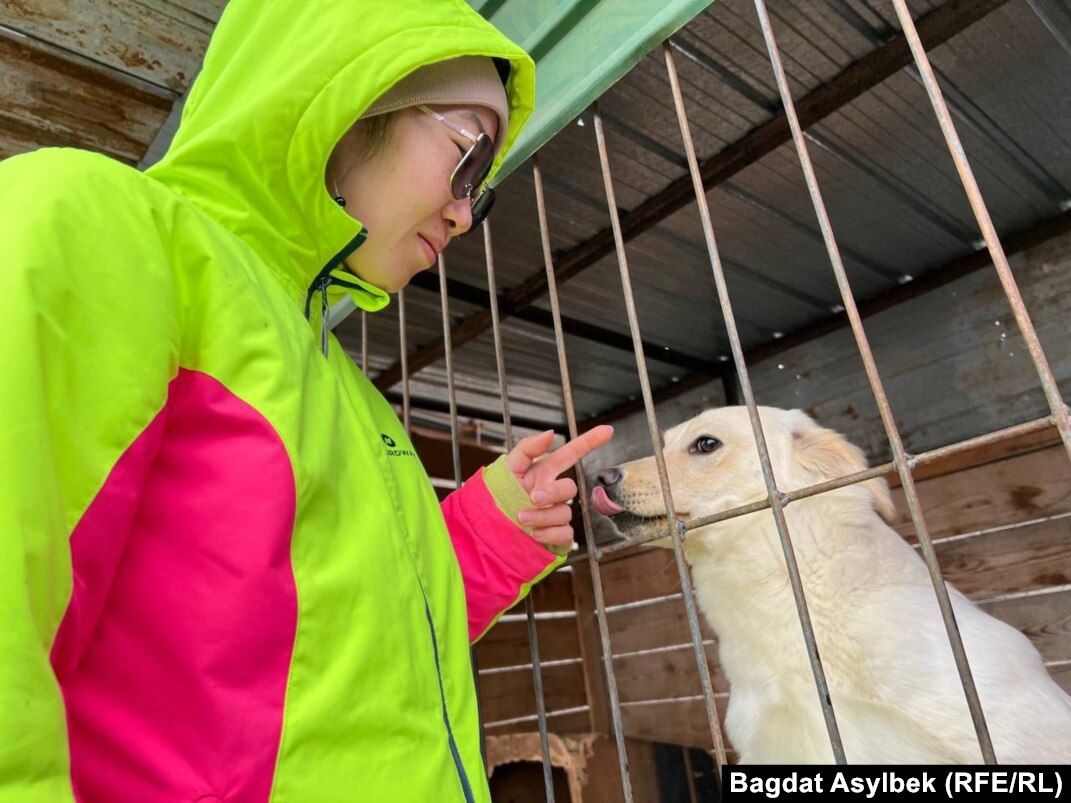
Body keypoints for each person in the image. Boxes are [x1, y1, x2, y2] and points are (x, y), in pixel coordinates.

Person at [0, 1, 613, 800]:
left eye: (482, 192)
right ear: (350, 94)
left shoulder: (353, 396)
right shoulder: (101, 222)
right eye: (467, 159)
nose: (465, 214)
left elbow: (343, 657)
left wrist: (484, 532)